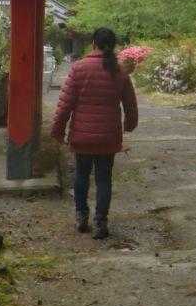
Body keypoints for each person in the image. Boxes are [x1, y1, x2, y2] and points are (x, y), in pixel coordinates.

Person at [50, 27, 138, 239]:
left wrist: (58, 131)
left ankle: (81, 216)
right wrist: (129, 125)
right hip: (108, 136)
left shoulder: (79, 68)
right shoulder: (119, 71)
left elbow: (65, 104)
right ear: (113, 46)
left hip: (82, 136)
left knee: (81, 176)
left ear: (93, 44)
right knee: (104, 179)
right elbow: (130, 105)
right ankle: (100, 222)